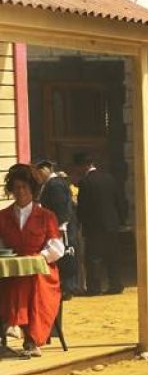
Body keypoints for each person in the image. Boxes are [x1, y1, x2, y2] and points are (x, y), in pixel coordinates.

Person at [0, 164, 65, 358]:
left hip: (42, 272)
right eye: (16, 188)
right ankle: (13, 327)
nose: (20, 192)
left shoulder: (46, 216)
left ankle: (26, 333)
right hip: (11, 271)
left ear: (32, 190)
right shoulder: (3, 216)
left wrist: (40, 257)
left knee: (30, 281)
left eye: (24, 188)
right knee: (13, 280)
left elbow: (56, 247)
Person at [72, 152, 126, 296]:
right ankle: (115, 284)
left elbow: (83, 207)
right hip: (111, 224)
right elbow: (119, 200)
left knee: (94, 258)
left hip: (94, 226)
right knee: (113, 255)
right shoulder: (109, 178)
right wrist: (121, 220)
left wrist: (80, 221)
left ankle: (94, 288)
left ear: (83, 166)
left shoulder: (85, 182)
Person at [34, 159, 81, 300]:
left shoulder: (55, 185)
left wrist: (60, 227)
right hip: (58, 226)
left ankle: (68, 287)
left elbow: (61, 209)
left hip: (61, 227)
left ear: (46, 169)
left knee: (65, 255)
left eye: (38, 170)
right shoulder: (51, 184)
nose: (37, 175)